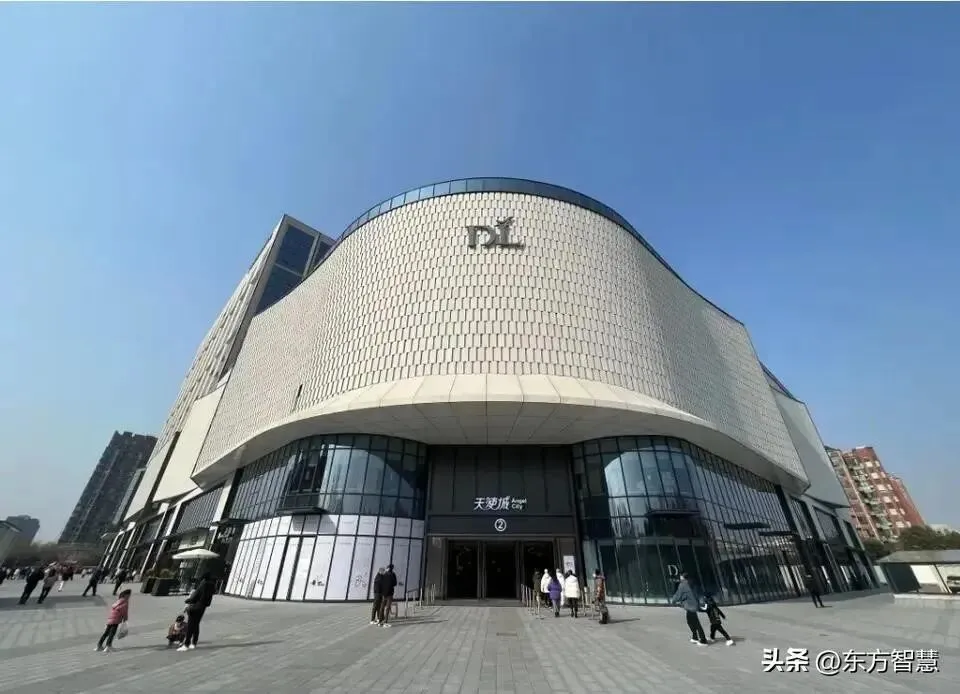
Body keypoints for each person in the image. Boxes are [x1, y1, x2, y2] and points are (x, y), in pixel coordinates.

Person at [180, 573, 216, 651]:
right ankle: (194, 643)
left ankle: (186, 644)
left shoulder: (203, 584)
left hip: (195, 606)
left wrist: (188, 600)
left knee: (190, 626)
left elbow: (196, 595)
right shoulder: (212, 585)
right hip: (203, 607)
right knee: (196, 624)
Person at [671, 572, 708, 645]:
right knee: (690, 621)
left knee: (696, 623)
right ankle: (695, 637)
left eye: (680, 576)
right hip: (693, 605)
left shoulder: (683, 585)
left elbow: (678, 595)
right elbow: (691, 594)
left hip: (690, 606)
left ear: (682, 577)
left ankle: (703, 640)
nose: (680, 577)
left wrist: (673, 600)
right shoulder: (690, 583)